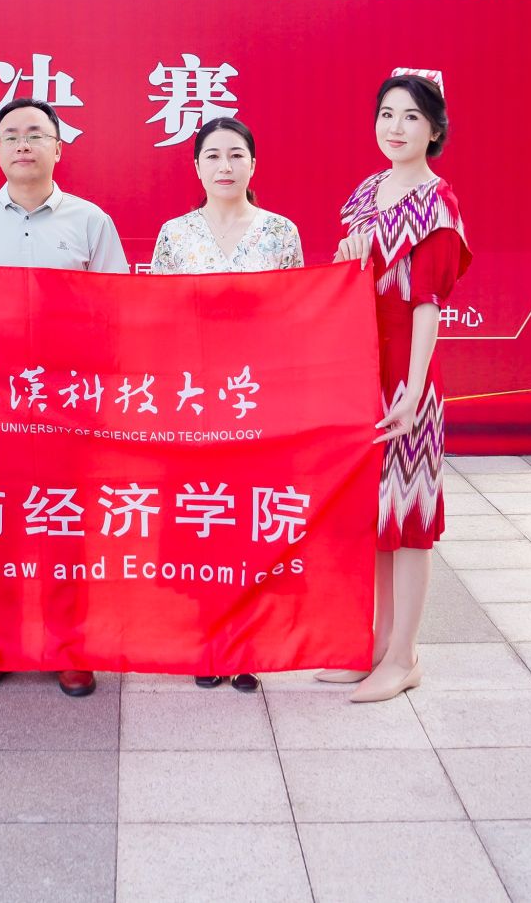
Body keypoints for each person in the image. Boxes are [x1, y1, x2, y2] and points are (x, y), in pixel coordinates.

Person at [0, 96, 128, 697]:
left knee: (63, 523)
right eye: (11, 135)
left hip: (67, 399)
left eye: (36, 134)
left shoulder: (90, 221)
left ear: (58, 148)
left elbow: (116, 311)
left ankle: (67, 645)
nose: (23, 144)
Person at [322, 72, 470, 703]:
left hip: (407, 376)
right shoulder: (366, 192)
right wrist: (346, 256)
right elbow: (346, 277)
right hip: (362, 369)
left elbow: (428, 304)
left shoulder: (439, 203)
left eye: (411, 116)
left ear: (433, 130)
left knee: (409, 516)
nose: (395, 127)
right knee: (373, 515)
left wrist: (412, 390)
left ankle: (405, 655)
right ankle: (377, 645)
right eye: (386, 113)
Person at [149, 117, 301, 695]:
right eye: (212, 156)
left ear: (253, 164)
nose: (225, 166)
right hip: (195, 396)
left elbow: (295, 314)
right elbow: (158, 316)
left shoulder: (280, 232)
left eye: (236, 154)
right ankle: (208, 639)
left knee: (251, 518)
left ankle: (248, 643)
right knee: (204, 516)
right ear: (196, 167)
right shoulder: (175, 234)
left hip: (257, 396)